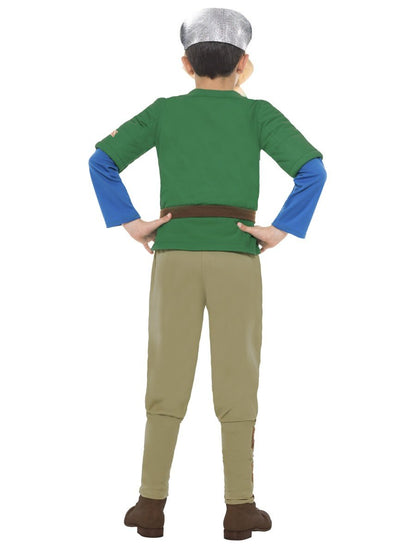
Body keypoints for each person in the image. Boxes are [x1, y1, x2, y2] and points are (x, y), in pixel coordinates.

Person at [88, 7, 327, 541]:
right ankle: (239, 509)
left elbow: (101, 161)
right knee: (238, 377)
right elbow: (312, 169)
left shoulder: (164, 112)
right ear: (243, 63)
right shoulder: (259, 114)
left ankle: (150, 505)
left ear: (185, 63)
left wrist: (133, 222)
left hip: (173, 254)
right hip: (236, 256)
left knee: (166, 376)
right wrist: (279, 229)